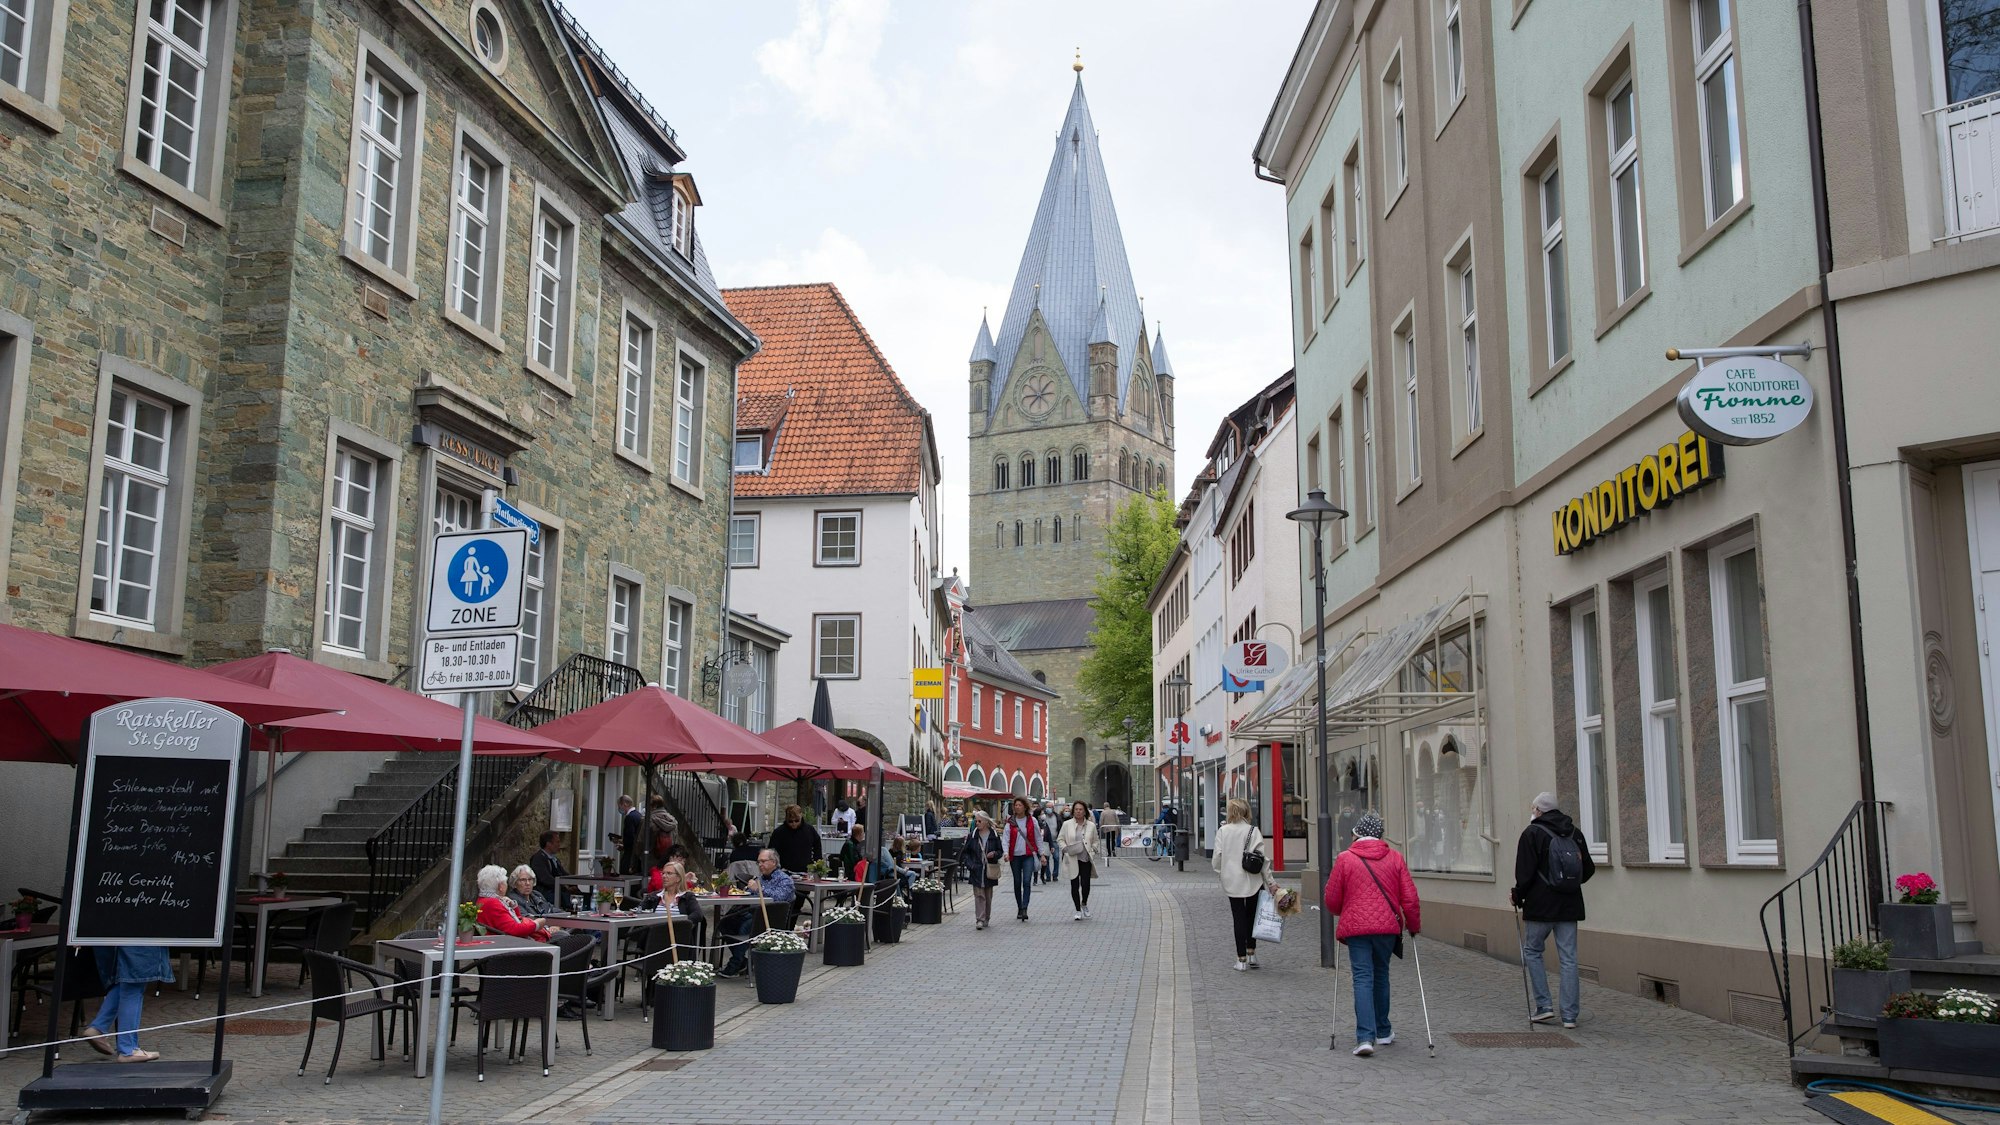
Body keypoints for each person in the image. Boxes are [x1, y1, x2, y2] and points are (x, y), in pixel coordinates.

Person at [1322, 812, 1421, 1057]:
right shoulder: (1395, 858)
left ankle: (1365, 1037)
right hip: (1387, 927)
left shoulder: (1345, 859)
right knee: (1381, 975)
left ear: (1357, 833)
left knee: (1362, 978)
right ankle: (1384, 1031)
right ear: (1380, 835)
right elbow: (1410, 898)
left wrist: (1340, 911)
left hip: (1356, 928)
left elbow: (1332, 899)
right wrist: (1414, 926)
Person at [1512, 791, 1596, 1029]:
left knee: (1532, 951)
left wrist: (1518, 895)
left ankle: (1544, 1007)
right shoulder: (1574, 833)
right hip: (1570, 906)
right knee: (1569, 958)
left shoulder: (1532, 834)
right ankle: (1570, 1016)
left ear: (1538, 810)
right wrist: (1568, 884)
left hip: (1540, 906)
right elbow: (1587, 869)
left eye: (1533, 809)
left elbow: (1525, 874)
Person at [80, 944, 172, 1062]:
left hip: (111, 938)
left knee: (125, 982)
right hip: (138, 937)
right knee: (133, 985)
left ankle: (99, 1027)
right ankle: (128, 1049)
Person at [718, 850, 796, 977]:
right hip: (751, 912)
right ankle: (742, 961)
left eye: (763, 861)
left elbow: (779, 898)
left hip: (771, 918)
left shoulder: (784, 880)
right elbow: (749, 893)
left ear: (774, 862)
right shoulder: (760, 878)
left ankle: (735, 964)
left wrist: (759, 889)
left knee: (745, 927)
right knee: (725, 922)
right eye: (758, 862)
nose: (760, 865)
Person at [1212, 799, 1267, 970]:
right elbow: (1263, 859)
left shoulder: (1223, 831)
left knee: (1238, 918)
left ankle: (1240, 959)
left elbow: (1217, 857)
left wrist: (1220, 872)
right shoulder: (1254, 830)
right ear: (1246, 811)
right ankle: (1252, 953)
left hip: (1232, 880)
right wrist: (1270, 882)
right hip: (1253, 880)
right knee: (1252, 916)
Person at [475, 864, 565, 941]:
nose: (527, 883)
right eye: (505, 882)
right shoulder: (493, 903)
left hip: (514, 942)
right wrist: (537, 924)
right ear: (501, 887)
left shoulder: (484, 900)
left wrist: (513, 907)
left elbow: (517, 920)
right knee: (566, 938)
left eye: (530, 880)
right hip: (520, 947)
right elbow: (516, 929)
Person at [1057, 800, 1104, 920]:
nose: (1078, 811)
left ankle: (1084, 903)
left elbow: (1096, 841)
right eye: (1076, 809)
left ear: (1085, 812)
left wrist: (1093, 850)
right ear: (1073, 811)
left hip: (1085, 858)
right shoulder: (1067, 824)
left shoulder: (1091, 825)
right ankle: (1077, 909)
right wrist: (1065, 849)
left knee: (1085, 884)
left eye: (1080, 809)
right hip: (1072, 857)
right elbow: (1060, 839)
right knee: (1074, 885)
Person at [961, 811, 1004, 930]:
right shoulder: (973, 835)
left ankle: (987, 917)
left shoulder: (994, 835)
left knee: (988, 896)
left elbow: (1000, 851)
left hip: (989, 870)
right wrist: (971, 865)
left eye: (979, 821)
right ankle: (979, 919)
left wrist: (994, 854)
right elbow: (965, 853)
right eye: (976, 821)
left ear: (986, 822)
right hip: (977, 869)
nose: (977, 823)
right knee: (979, 895)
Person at [1003, 796, 1041, 922]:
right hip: (1015, 856)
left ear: (1025, 807)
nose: (1017, 807)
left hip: (1028, 855)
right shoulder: (1011, 821)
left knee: (1026, 881)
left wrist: (1042, 853)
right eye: (1015, 805)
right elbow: (1006, 838)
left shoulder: (1032, 821)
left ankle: (1025, 908)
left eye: (1019, 805)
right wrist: (1006, 853)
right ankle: (1019, 907)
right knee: (1017, 882)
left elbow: (1037, 837)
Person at [767, 804, 822, 873]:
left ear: (801, 816)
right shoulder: (779, 832)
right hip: (785, 871)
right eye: (790, 821)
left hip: (805, 871)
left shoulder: (809, 830)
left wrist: (817, 863)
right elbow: (772, 852)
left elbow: (817, 846)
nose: (794, 824)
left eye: (796, 821)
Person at [528, 831, 568, 900]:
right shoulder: (538, 859)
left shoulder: (554, 859)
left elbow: (563, 874)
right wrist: (564, 887)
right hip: (546, 893)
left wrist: (572, 883)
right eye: (557, 842)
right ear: (548, 844)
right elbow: (545, 879)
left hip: (557, 890)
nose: (559, 845)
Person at [610, 794, 644, 875]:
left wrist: (623, 844)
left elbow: (630, 837)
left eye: (619, 805)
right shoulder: (638, 815)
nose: (619, 808)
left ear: (624, 804)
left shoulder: (630, 817)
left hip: (630, 855)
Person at [645, 795, 678, 864]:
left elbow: (641, 840)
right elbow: (675, 839)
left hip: (651, 858)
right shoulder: (673, 820)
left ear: (654, 806)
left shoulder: (649, 819)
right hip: (668, 858)